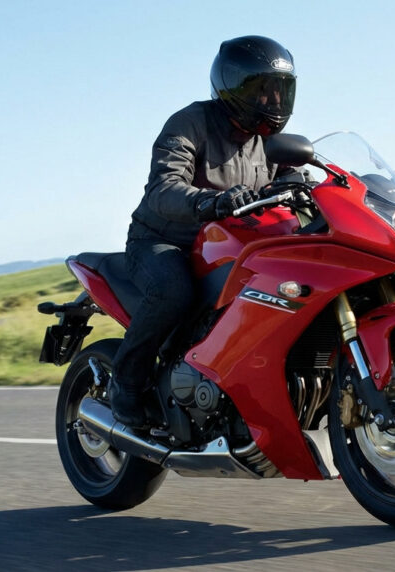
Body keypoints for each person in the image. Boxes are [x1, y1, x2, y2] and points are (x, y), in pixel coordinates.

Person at [110, 35, 298, 427]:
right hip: (165, 240)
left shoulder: (268, 140)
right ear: (231, 88)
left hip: (231, 244)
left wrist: (310, 185)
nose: (272, 102)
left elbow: (292, 173)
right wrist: (208, 202)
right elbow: (163, 188)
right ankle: (125, 383)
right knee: (173, 292)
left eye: (280, 91)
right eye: (262, 91)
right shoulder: (190, 123)